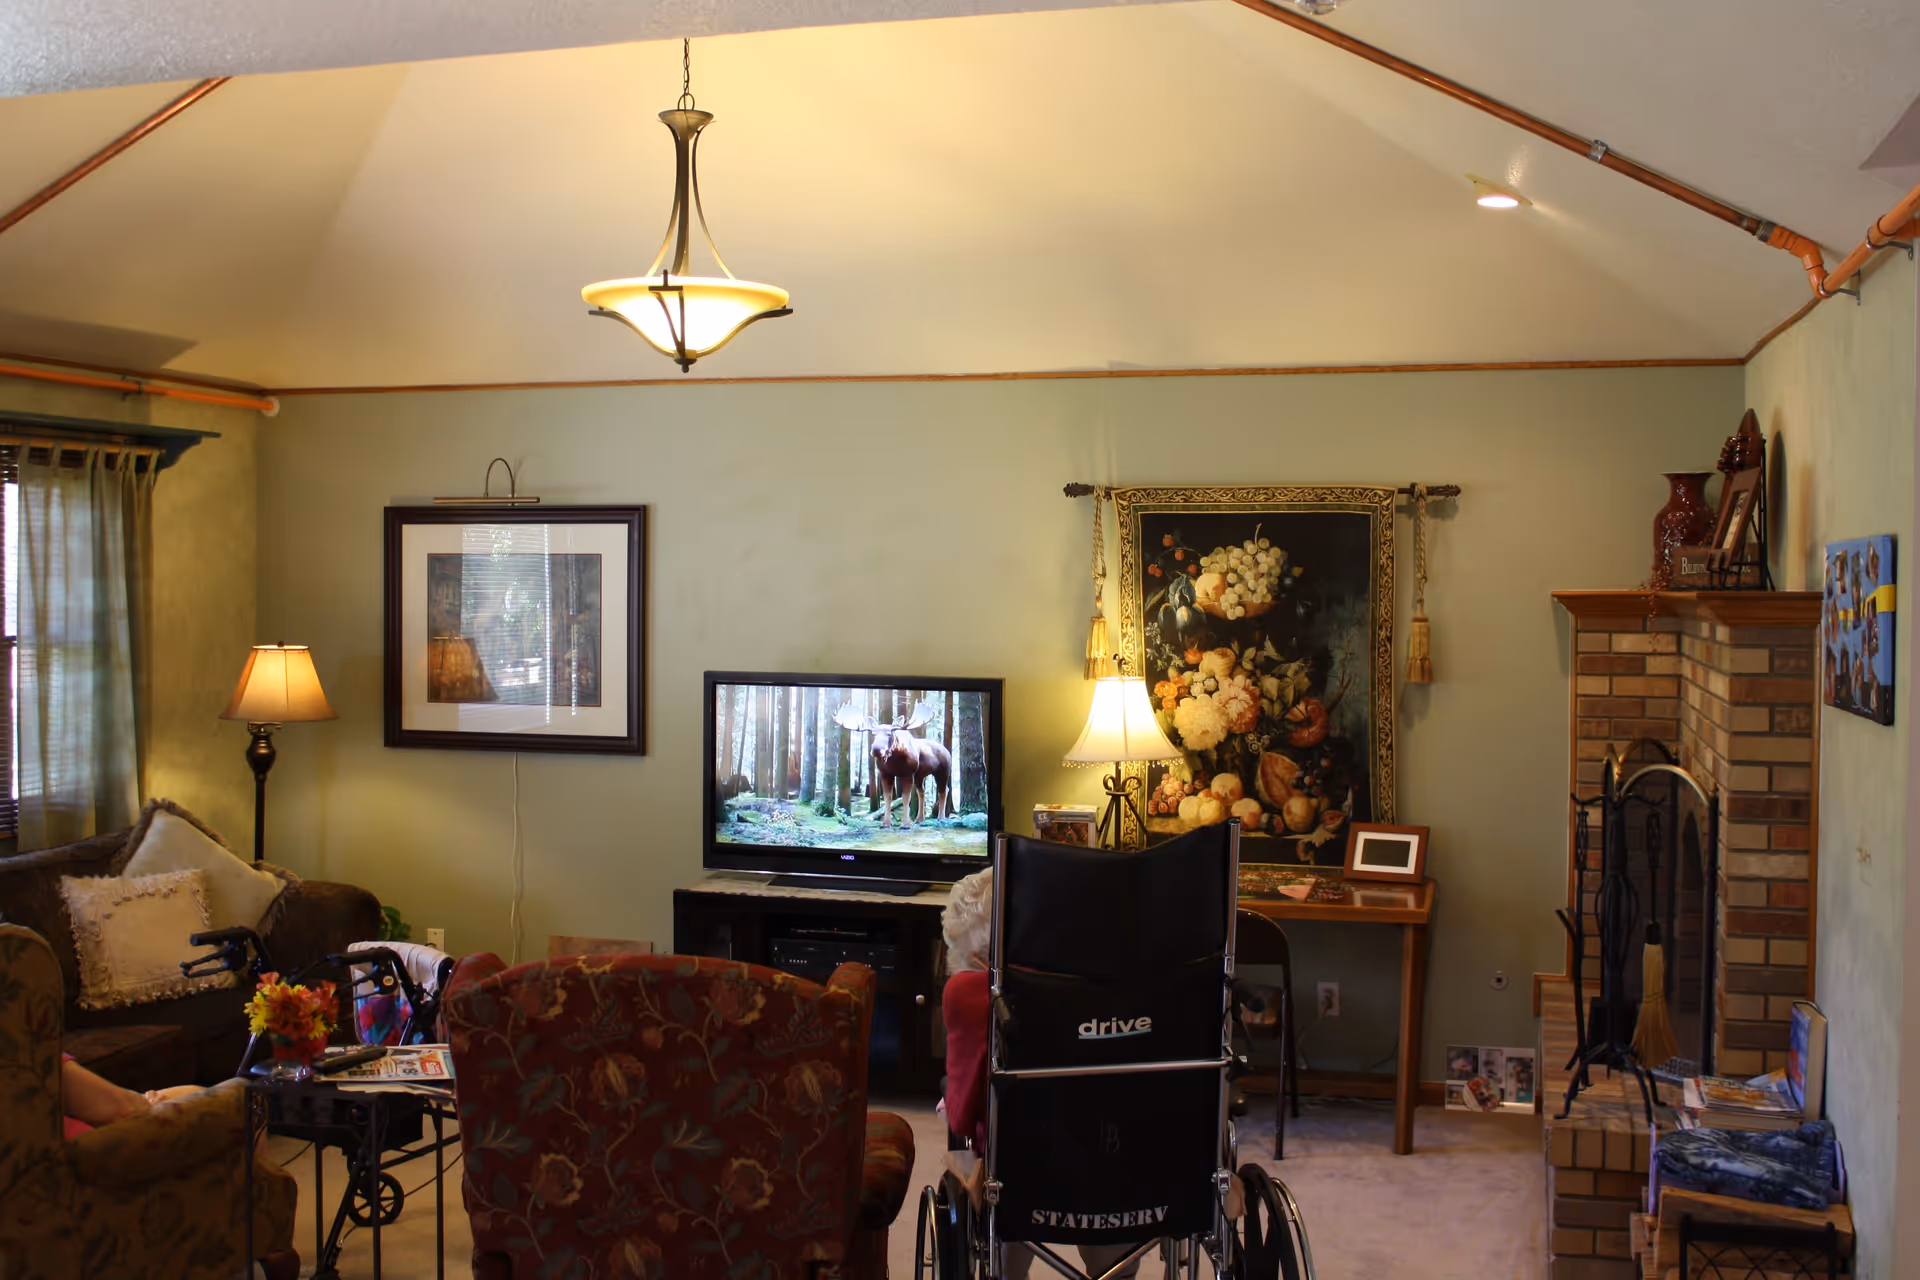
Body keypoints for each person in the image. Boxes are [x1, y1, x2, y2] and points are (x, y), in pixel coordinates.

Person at [942, 869, 1145, 1280]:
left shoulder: (968, 992)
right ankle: (1114, 1269)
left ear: (974, 954)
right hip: (1120, 1167)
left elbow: (962, 1117)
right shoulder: (1117, 986)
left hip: (1020, 1177)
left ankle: (1007, 1271)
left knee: (990, 1154)